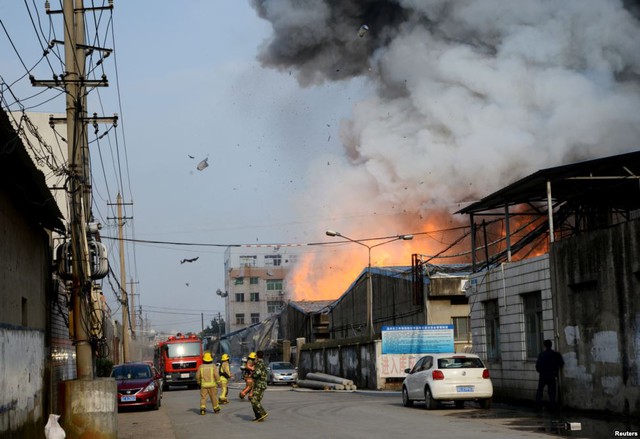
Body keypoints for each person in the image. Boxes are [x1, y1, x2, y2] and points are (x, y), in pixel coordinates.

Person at [535, 339, 564, 412]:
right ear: (551, 345)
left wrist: (541, 371)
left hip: (543, 375)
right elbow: (561, 363)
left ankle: (538, 406)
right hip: (551, 375)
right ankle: (552, 407)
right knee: (552, 392)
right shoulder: (555, 354)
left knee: (540, 390)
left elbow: (537, 367)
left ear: (544, 346)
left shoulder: (541, 355)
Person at [249, 350, 269, 422]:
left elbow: (257, 373)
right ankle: (259, 417)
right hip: (262, 384)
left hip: (259, 385)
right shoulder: (263, 363)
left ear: (257, 356)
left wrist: (252, 375)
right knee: (256, 401)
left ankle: (262, 412)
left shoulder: (259, 364)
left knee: (253, 400)